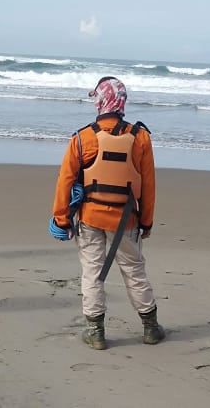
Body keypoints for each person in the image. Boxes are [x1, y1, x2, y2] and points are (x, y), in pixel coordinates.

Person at [50, 76, 164, 350]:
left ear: (100, 101)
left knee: (92, 273)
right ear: (122, 102)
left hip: (90, 218)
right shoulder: (140, 138)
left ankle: (96, 332)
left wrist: (61, 219)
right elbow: (148, 185)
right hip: (127, 220)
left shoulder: (82, 137)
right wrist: (146, 221)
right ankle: (150, 328)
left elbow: (65, 180)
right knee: (134, 272)